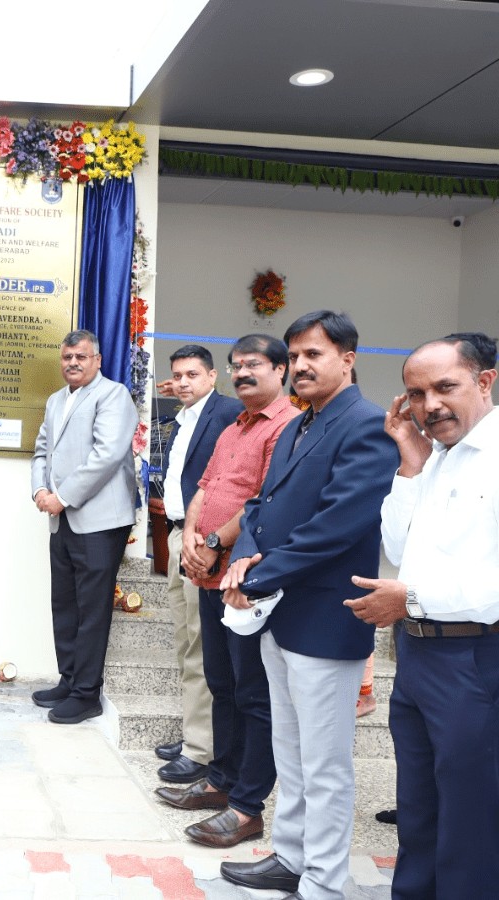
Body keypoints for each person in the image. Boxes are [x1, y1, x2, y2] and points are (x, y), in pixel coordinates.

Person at [218, 311, 398, 900]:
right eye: (294, 356)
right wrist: (244, 558)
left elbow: (338, 526)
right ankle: (290, 857)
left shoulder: (367, 426)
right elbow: (261, 505)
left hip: (326, 618)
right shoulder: (299, 423)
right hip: (281, 615)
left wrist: (259, 575)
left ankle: (322, 881)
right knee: (290, 752)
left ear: (347, 358)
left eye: (312, 354)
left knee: (324, 765)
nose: (300, 366)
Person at [345, 332, 499, 899]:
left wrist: (410, 599)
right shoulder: (435, 459)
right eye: (415, 394)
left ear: (485, 381)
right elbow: (397, 546)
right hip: (417, 653)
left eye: (444, 387)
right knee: (418, 805)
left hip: (474, 656)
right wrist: (410, 464)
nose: (429, 405)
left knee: (470, 813)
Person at [155, 334, 298, 849]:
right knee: (220, 682)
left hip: (244, 578)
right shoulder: (236, 424)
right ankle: (220, 780)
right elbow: (205, 487)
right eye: (237, 365)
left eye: (253, 364)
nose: (242, 373)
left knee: (252, 693)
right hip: (208, 572)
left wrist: (215, 543)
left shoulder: (287, 426)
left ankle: (246, 806)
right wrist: (194, 538)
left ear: (280, 370)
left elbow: (265, 502)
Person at [30, 329, 139, 725]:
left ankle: (87, 694)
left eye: (81, 356)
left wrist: (63, 496)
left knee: (92, 609)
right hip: (61, 519)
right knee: (65, 603)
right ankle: (70, 679)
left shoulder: (113, 395)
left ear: (97, 360)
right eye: (67, 357)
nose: (73, 363)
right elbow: (41, 451)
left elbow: (107, 454)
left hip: (100, 521)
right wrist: (40, 490)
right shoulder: (56, 400)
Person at [151, 344, 241, 782]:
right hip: (177, 536)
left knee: (203, 646)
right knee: (186, 642)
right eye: (178, 375)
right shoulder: (183, 418)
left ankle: (202, 749)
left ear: (212, 376)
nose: (184, 382)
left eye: (193, 374)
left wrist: (214, 540)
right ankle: (194, 734)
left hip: (206, 545)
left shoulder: (228, 413)